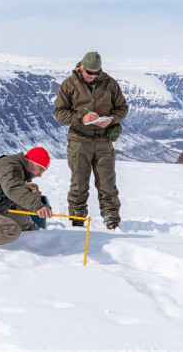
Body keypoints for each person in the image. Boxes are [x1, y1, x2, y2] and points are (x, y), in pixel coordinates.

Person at [54, 51, 129, 230]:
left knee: (107, 183)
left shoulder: (110, 83)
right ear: (81, 67)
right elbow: (59, 113)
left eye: (97, 72)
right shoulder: (69, 84)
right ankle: (77, 220)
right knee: (79, 183)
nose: (94, 75)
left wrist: (111, 119)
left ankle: (111, 220)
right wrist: (82, 118)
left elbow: (122, 108)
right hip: (79, 140)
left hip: (103, 140)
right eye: (90, 72)